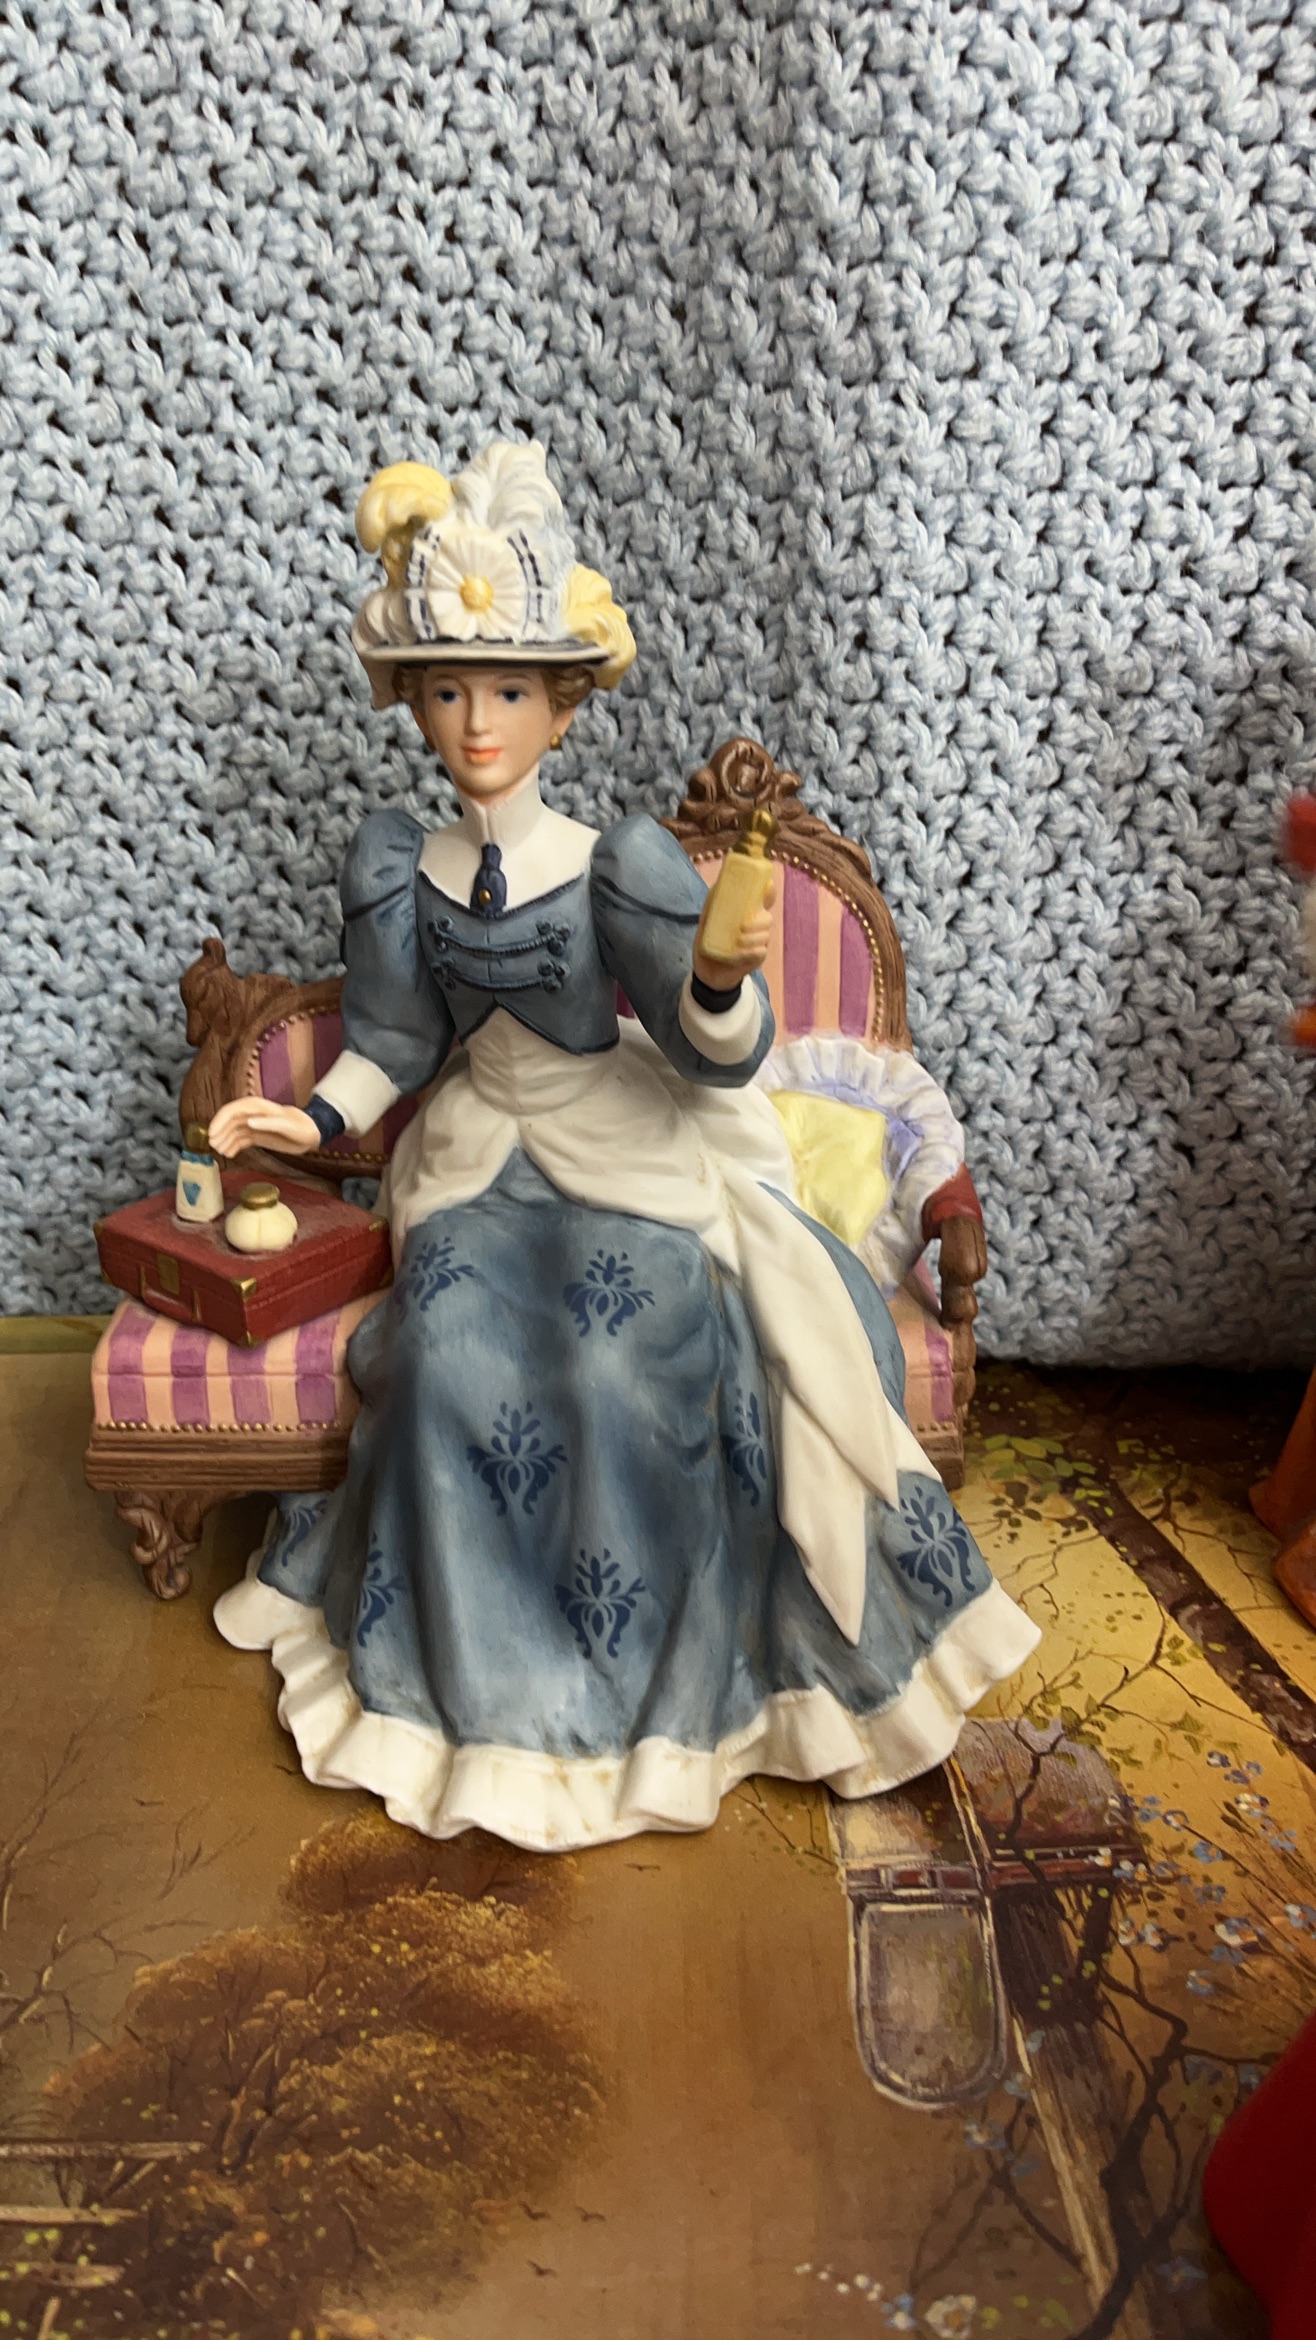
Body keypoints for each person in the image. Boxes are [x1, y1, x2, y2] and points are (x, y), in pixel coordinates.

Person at [210, 441, 1040, 1852]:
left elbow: (716, 1050)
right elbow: (396, 1039)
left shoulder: (614, 866)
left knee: (625, 1350)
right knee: (445, 1343)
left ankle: (648, 1684)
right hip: (476, 1158)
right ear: (414, 701)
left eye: (510, 692)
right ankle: (474, 1687)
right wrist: (313, 1117)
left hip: (622, 1141)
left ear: (563, 704)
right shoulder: (399, 867)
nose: (479, 723)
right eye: (451, 691)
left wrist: (715, 978)